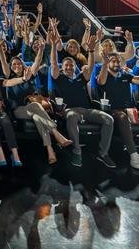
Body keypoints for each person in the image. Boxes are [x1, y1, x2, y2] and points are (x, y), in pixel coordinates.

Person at [48, 26, 118, 169]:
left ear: (75, 67)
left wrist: (91, 51)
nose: (68, 67)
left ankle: (103, 153)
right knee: (72, 116)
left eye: (71, 65)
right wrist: (54, 46)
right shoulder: (59, 77)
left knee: (108, 119)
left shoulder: (81, 77)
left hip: (87, 110)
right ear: (63, 68)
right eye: (66, 65)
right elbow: (54, 64)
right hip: (70, 110)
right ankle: (77, 151)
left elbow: (91, 67)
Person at [0, 36, 74, 166]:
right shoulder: (8, 76)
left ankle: (50, 150)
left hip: (34, 108)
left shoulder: (29, 74)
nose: (16, 65)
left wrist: (42, 49)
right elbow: (3, 61)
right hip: (18, 110)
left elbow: (37, 62)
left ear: (23, 65)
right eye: (14, 64)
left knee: (38, 118)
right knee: (34, 106)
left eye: (19, 63)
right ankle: (56, 133)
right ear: (11, 67)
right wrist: (0, 48)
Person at [96, 51, 139, 171]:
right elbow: (101, 81)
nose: (117, 63)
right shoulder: (103, 73)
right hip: (112, 111)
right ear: (108, 62)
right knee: (123, 117)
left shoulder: (124, 75)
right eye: (113, 61)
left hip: (130, 110)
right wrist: (104, 64)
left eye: (118, 61)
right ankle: (133, 154)